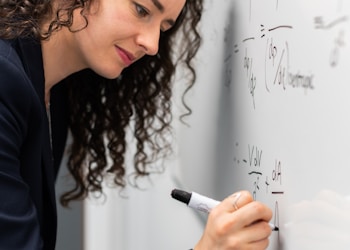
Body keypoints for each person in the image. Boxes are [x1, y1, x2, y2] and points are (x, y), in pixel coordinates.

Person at [0, 0, 273, 249]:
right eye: (141, 10)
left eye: (164, 27)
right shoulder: (6, 82)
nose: (153, 44)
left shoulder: (54, 90)